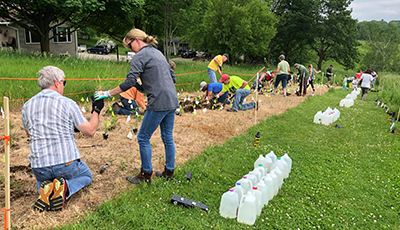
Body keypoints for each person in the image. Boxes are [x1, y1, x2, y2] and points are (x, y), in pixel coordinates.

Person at [94, 28, 179, 184]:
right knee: (167, 137)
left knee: (143, 137)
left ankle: (145, 175)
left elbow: (129, 82)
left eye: (129, 45)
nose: (130, 50)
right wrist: (144, 86)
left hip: (158, 102)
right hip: (172, 100)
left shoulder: (140, 56)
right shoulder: (157, 53)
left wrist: (108, 93)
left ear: (136, 40)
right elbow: (171, 77)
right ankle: (169, 172)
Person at [22, 66, 104, 212]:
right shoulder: (67, 103)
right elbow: (90, 131)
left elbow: (30, 135)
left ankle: (45, 189)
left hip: (40, 167)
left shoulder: (27, 105)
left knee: (43, 180)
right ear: (57, 82)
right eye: (64, 83)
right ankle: (65, 189)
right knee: (86, 175)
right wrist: (96, 110)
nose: (64, 86)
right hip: (65, 164)